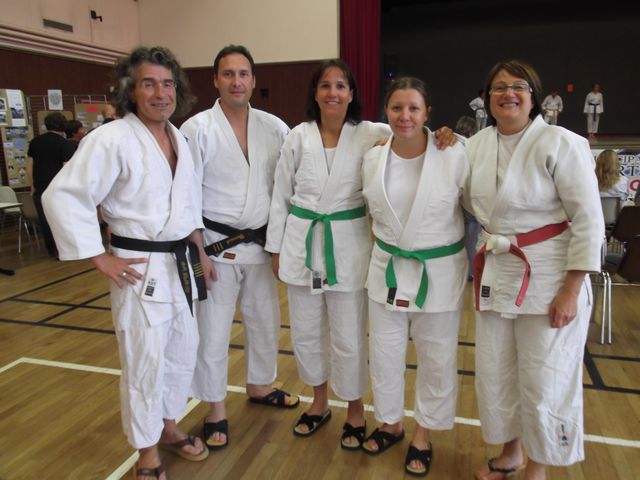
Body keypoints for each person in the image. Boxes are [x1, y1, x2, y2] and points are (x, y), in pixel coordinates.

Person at [43, 46, 213, 480]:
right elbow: (64, 196)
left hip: (180, 264)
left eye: (167, 84)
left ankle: (169, 427)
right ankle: (147, 453)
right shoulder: (111, 138)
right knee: (143, 362)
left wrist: (199, 248)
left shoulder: (180, 139)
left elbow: (188, 202)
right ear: (130, 91)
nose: (160, 93)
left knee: (181, 350)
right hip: (139, 267)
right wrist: (99, 256)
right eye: (148, 84)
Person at [266, 61, 455, 449]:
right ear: (315, 92)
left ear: (352, 93)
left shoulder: (373, 132)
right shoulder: (297, 136)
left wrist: (445, 134)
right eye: (325, 85)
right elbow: (280, 194)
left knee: (349, 334)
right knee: (306, 331)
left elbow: (413, 137)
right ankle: (319, 402)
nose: (332, 92)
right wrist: (275, 248)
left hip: (349, 245)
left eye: (341, 85)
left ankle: (355, 410)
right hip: (302, 242)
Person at [466, 60, 604, 480]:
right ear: (487, 98)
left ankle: (538, 467)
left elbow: (589, 219)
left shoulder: (561, 142)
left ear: (534, 97)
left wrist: (571, 289)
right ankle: (510, 453)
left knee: (545, 377)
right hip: (496, 273)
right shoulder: (474, 146)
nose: (508, 93)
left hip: (549, 275)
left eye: (518, 86)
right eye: (499, 87)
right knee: (498, 372)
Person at [180, 45, 298, 452]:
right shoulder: (196, 129)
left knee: (265, 321)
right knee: (212, 330)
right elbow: (185, 194)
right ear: (215, 80)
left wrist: (281, 244)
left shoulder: (275, 127)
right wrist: (197, 249)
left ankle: (260, 385)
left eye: (243, 74)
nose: (236, 81)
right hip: (215, 246)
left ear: (253, 80)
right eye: (228, 74)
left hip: (261, 244)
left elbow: (287, 187)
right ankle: (215, 407)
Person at [361, 77, 468, 477]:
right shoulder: (373, 157)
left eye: (413, 108)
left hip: (438, 271)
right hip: (387, 269)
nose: (404, 116)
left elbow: (476, 207)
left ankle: (423, 434)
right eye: (396, 108)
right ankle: (390, 423)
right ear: (385, 112)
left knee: (436, 357)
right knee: (385, 354)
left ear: (427, 113)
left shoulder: (454, 153)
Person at [26, 112, 76, 258]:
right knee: (61, 220)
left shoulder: (35, 142)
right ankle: (65, 250)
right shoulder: (64, 144)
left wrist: (32, 187)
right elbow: (67, 170)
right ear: (63, 126)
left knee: (45, 221)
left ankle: (52, 250)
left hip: (40, 188)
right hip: (58, 190)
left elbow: (29, 167)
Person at [455, 116, 480, 280]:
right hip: (470, 200)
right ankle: (470, 271)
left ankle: (462, 270)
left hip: (454, 200)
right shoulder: (474, 147)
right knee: (472, 239)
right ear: (472, 132)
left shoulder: (447, 143)